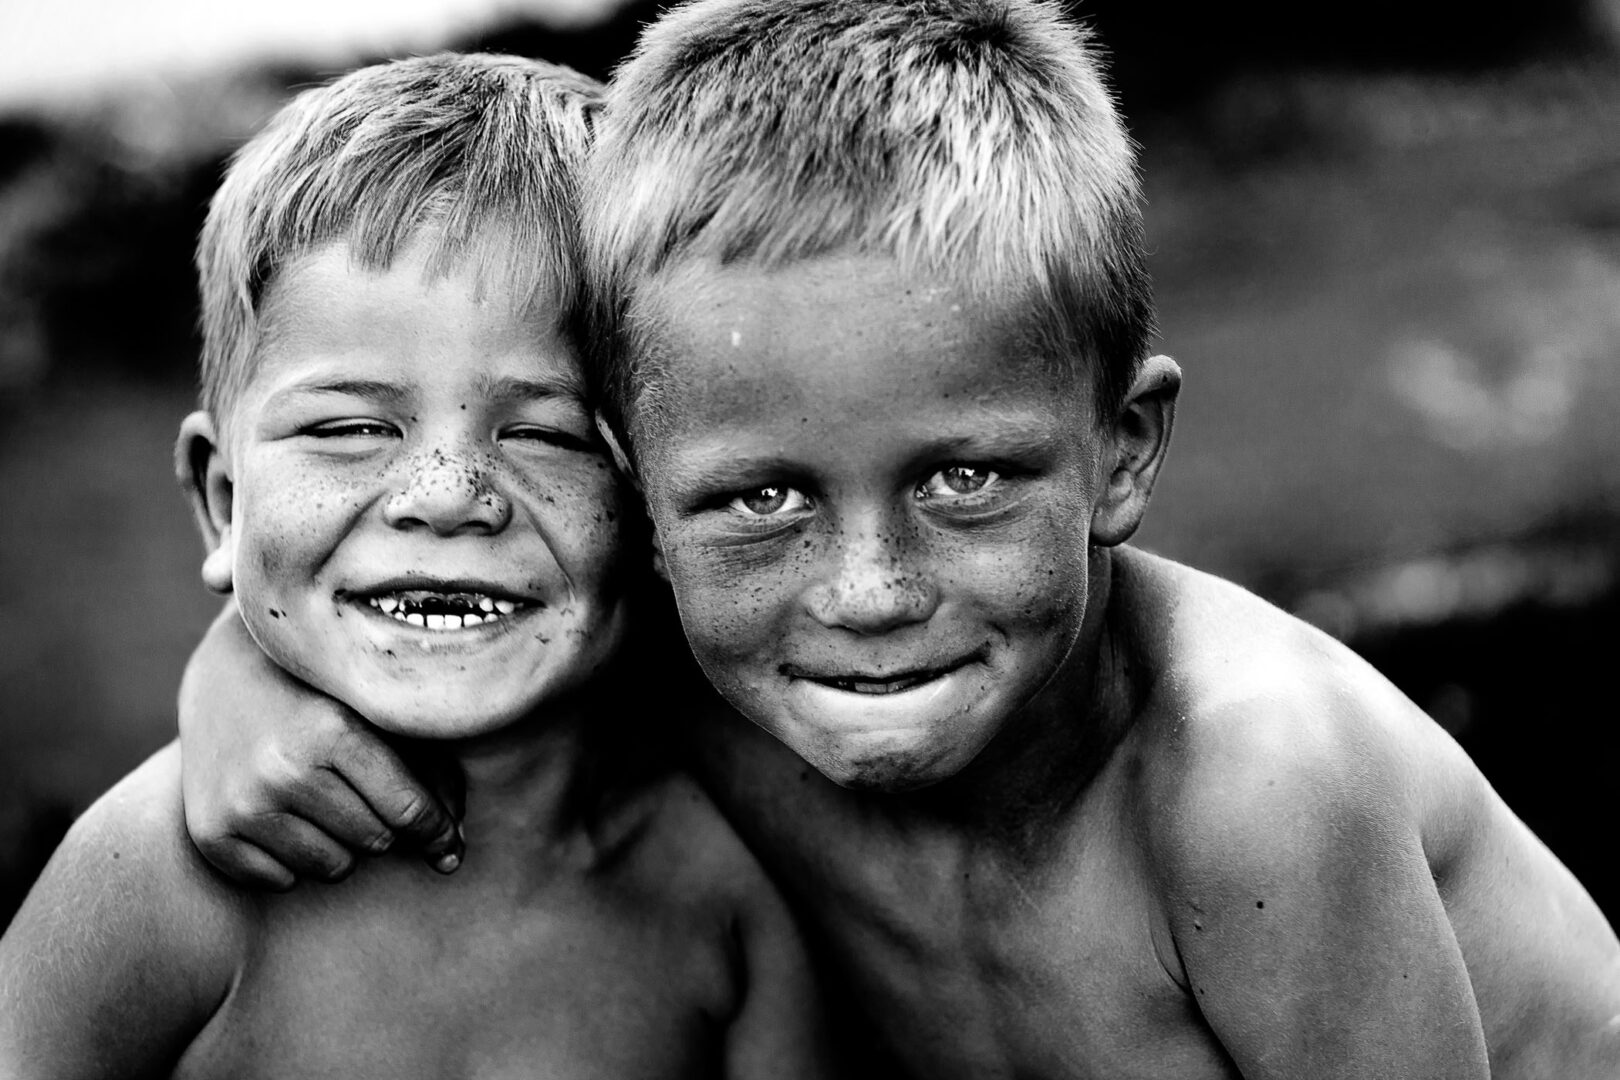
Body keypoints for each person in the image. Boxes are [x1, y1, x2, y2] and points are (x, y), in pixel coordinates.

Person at [168, 3, 1620, 1078]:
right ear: (637, 496)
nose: (865, 594)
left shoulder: (1252, 789)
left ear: (1123, 449)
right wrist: (238, 682)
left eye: (964, 479)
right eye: (763, 499)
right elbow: (430, 607)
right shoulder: (703, 674)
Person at [0, 52, 832, 1080]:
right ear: (223, 498)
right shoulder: (155, 881)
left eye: (550, 435)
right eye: (350, 427)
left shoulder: (724, 904)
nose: (446, 494)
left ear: (661, 501)